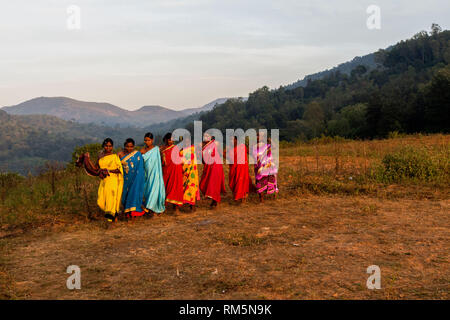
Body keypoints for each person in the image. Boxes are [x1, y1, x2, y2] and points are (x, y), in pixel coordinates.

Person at [90, 138, 123, 221]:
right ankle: (113, 214)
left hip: (113, 180)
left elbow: (119, 169)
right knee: (100, 201)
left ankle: (112, 219)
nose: (108, 148)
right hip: (104, 181)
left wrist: (108, 170)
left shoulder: (114, 156)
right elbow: (96, 168)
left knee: (111, 199)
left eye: (110, 146)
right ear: (103, 146)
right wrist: (87, 160)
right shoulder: (100, 156)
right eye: (106, 146)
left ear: (112, 147)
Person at [118, 138, 145, 218]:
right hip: (125, 179)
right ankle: (126, 212)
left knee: (134, 194)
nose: (129, 148)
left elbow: (141, 168)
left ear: (134, 146)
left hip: (135, 179)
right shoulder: (120, 154)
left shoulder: (137, 154)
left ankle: (133, 214)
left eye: (131, 147)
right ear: (124, 146)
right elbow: (116, 165)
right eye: (127, 146)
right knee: (125, 196)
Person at [141, 132, 166, 215]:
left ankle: (151, 209)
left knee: (154, 190)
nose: (147, 142)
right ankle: (151, 207)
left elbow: (162, 159)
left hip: (155, 174)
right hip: (147, 174)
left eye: (148, 140)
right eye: (145, 140)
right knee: (148, 190)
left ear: (152, 140)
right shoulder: (142, 151)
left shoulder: (156, 149)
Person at [199, 133, 226, 208]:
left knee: (214, 183)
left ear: (211, 137)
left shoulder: (214, 143)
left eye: (207, 136)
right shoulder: (203, 146)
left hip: (215, 166)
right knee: (203, 183)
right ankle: (213, 199)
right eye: (204, 136)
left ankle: (215, 200)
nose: (205, 137)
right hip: (207, 167)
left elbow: (220, 153)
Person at [160, 132, 184, 212]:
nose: (171, 141)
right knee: (166, 188)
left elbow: (180, 159)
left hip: (176, 171)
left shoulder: (176, 148)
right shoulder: (162, 149)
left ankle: (176, 207)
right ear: (166, 140)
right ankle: (162, 207)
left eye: (173, 139)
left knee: (176, 188)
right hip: (166, 171)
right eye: (169, 139)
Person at [252, 132, 278, 202]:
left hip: (267, 166)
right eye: (257, 136)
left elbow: (275, 147)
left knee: (270, 179)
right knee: (259, 181)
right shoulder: (254, 147)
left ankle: (273, 196)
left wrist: (269, 139)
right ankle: (261, 198)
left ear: (263, 138)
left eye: (259, 136)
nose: (258, 137)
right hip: (259, 167)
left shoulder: (267, 146)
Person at [180, 136, 200, 211]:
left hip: (193, 173)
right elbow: (181, 161)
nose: (186, 143)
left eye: (188, 141)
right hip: (185, 173)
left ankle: (192, 206)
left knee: (192, 187)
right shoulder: (181, 151)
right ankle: (187, 203)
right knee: (185, 187)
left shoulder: (193, 149)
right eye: (185, 141)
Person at [228, 136, 251, 202]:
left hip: (242, 168)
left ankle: (241, 197)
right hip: (234, 168)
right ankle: (237, 195)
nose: (230, 141)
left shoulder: (242, 146)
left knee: (241, 181)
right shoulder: (230, 148)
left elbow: (250, 152)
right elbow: (229, 158)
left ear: (236, 140)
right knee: (233, 182)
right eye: (229, 140)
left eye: (232, 139)